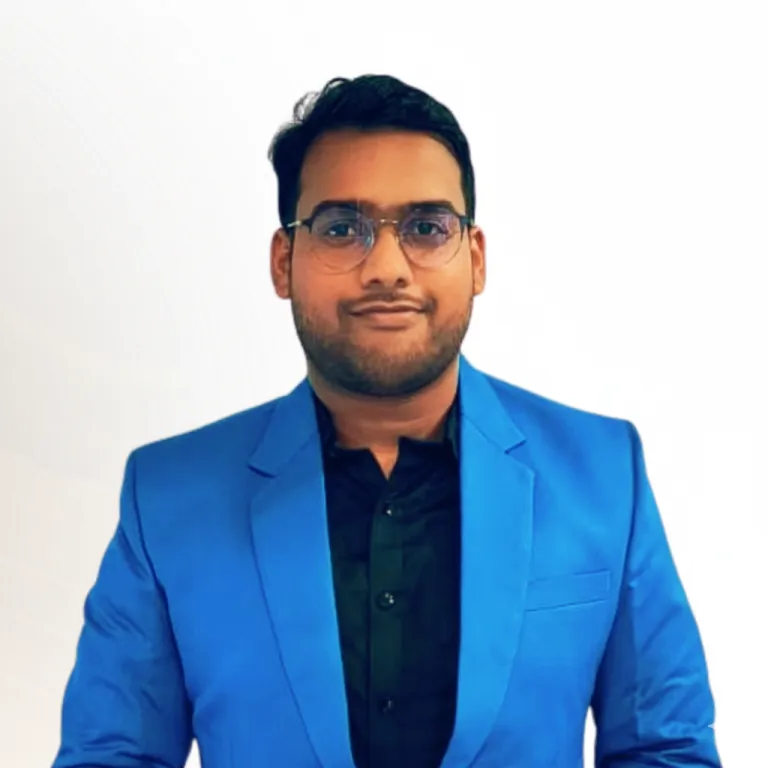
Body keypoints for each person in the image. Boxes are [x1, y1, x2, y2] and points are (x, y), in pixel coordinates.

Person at [52, 74, 721, 768]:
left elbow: (664, 749)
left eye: (427, 227)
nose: (386, 267)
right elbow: (111, 756)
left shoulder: (603, 474)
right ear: (285, 261)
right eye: (342, 228)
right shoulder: (167, 497)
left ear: (476, 257)